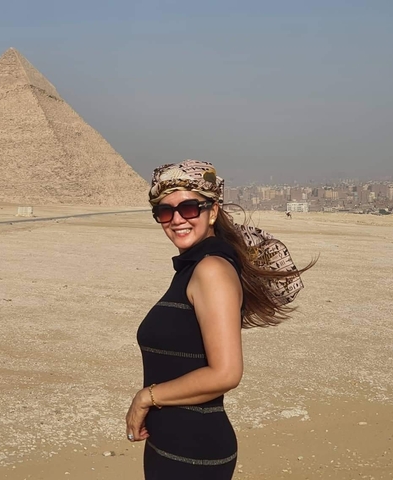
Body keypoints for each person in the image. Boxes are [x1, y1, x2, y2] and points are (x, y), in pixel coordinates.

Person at [126, 160, 312, 479]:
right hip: (174, 446)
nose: (177, 219)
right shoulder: (193, 267)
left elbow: (225, 373)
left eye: (189, 207)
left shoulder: (211, 270)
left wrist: (146, 397)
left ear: (212, 211)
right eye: (165, 212)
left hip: (192, 453)